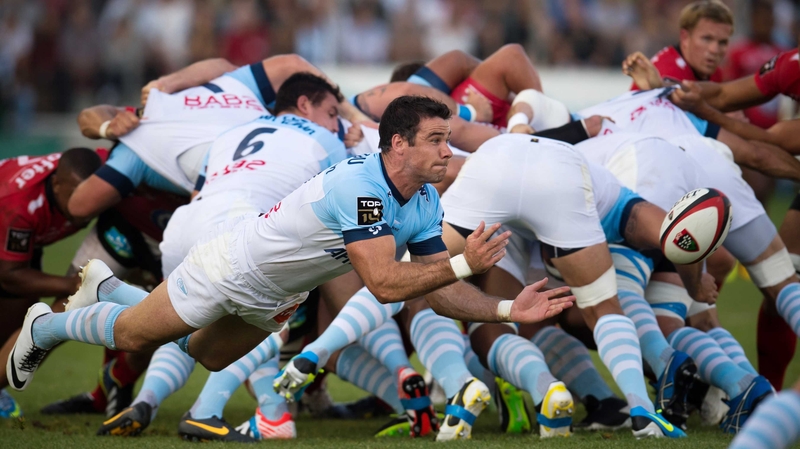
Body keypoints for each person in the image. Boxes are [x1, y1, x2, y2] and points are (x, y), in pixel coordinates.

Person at [7, 96, 572, 407]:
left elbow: (438, 286)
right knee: (134, 336)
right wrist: (462, 261)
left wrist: (504, 311)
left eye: (449, 139)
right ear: (397, 144)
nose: (448, 151)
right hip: (232, 266)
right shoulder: (364, 188)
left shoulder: (422, 199)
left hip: (277, 293)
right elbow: (382, 283)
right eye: (437, 140)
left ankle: (112, 291)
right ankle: (47, 328)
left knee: (206, 355)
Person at [0, 148, 103, 399]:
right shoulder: (20, 206)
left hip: (23, 241)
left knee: (22, 311)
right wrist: (70, 284)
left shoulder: (98, 167)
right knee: (17, 294)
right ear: (56, 184)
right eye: (77, 195)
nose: (86, 205)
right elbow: (9, 275)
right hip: (7, 221)